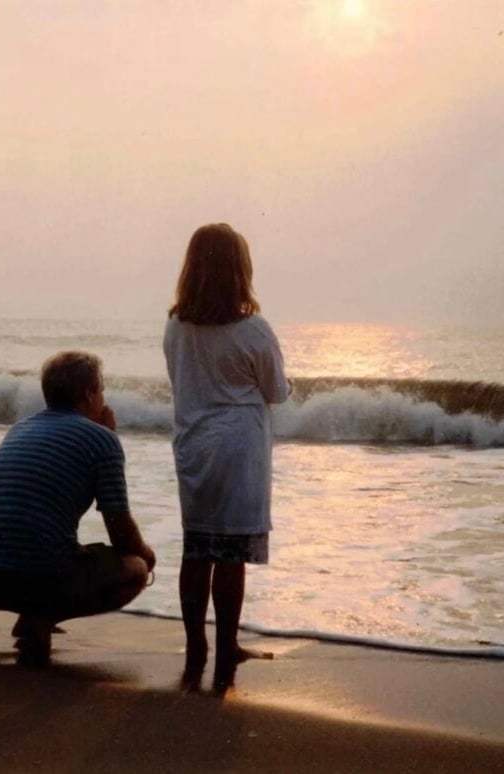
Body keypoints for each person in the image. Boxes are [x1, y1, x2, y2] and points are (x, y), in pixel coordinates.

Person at [0, 351, 157, 666]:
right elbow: (120, 529)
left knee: (49, 546)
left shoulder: (19, 428)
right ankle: (40, 617)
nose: (103, 399)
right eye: (101, 391)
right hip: (32, 577)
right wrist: (148, 556)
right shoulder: (101, 440)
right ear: (89, 394)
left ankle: (34, 614)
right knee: (136, 569)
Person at [163, 223, 289, 694]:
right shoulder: (252, 329)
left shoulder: (176, 327)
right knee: (231, 554)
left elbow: (182, 382)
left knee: (196, 549)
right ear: (240, 269)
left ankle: (195, 643)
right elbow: (276, 391)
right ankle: (227, 644)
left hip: (193, 443)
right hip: (238, 447)